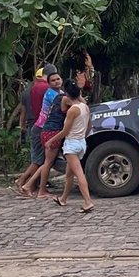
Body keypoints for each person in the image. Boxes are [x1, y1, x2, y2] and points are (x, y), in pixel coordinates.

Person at [43, 81, 95, 212]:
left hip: (71, 144)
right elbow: (90, 126)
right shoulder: (85, 107)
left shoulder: (73, 110)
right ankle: (63, 198)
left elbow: (65, 131)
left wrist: (50, 141)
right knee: (69, 173)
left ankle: (88, 201)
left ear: (66, 94)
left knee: (78, 173)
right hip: (81, 142)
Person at [18, 67, 66, 197]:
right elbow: (65, 107)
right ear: (48, 83)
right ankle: (27, 184)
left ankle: (26, 183)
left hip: (42, 128)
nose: (56, 82)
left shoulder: (59, 92)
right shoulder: (52, 94)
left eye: (58, 79)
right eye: (53, 80)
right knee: (42, 161)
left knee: (43, 160)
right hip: (45, 129)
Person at [14, 66, 52, 192]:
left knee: (36, 156)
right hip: (40, 126)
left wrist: (22, 127)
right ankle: (24, 181)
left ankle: (33, 183)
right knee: (39, 159)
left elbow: (23, 112)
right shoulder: (46, 89)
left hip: (31, 126)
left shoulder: (27, 92)